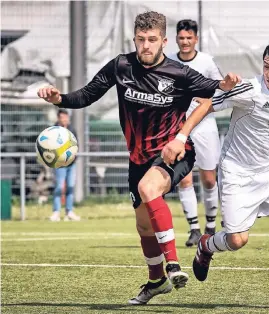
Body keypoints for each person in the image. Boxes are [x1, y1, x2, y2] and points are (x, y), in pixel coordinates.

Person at [37, 11, 240, 305]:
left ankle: (172, 265)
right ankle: (156, 280)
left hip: (176, 153)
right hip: (139, 159)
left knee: (149, 189)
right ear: (134, 39)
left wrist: (226, 84)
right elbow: (87, 95)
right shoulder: (121, 66)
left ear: (164, 41)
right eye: (141, 40)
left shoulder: (178, 73)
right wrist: (59, 99)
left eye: (152, 40)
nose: (146, 45)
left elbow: (213, 90)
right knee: (144, 227)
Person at [162, 42, 269, 309]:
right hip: (237, 172)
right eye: (266, 66)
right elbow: (205, 106)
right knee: (236, 240)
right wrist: (181, 137)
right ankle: (206, 245)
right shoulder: (249, 89)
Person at [168, 19, 222, 246]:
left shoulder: (207, 61)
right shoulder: (168, 61)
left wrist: (209, 98)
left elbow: (221, 89)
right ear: (176, 39)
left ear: (196, 39)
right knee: (184, 180)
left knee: (209, 180)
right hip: (179, 128)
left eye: (189, 38)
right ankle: (193, 228)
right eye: (181, 38)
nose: (185, 42)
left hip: (205, 126)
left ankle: (210, 225)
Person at [49, 109, 81, 222]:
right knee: (59, 187)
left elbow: (76, 144)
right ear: (58, 118)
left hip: (71, 163)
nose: (65, 119)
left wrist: (74, 157)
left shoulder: (72, 129)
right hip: (59, 164)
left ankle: (69, 211)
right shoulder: (53, 131)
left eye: (66, 117)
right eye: (63, 117)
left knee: (71, 186)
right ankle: (56, 212)